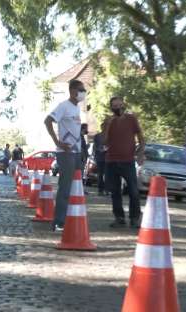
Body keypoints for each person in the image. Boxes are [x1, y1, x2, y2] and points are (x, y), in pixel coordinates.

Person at [44, 79, 86, 232]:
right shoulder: (63, 106)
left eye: (83, 90)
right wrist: (57, 141)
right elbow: (47, 121)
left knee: (76, 187)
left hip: (76, 153)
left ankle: (71, 218)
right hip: (65, 153)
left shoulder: (76, 109)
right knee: (65, 188)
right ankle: (59, 221)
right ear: (73, 91)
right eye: (81, 90)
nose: (83, 93)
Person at [104, 96, 145, 229]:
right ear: (111, 108)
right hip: (112, 160)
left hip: (128, 160)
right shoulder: (108, 121)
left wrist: (140, 153)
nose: (118, 108)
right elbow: (103, 141)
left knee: (133, 190)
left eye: (120, 105)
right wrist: (108, 125)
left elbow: (141, 137)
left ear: (124, 105)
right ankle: (119, 218)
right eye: (115, 106)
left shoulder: (131, 119)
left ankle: (134, 218)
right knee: (115, 191)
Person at [93, 120, 108, 195]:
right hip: (100, 158)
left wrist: (107, 148)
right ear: (101, 127)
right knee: (100, 174)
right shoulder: (97, 136)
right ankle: (100, 190)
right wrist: (100, 149)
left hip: (108, 158)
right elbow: (95, 147)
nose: (104, 128)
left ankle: (107, 189)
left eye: (105, 126)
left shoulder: (110, 135)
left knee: (107, 174)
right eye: (103, 126)